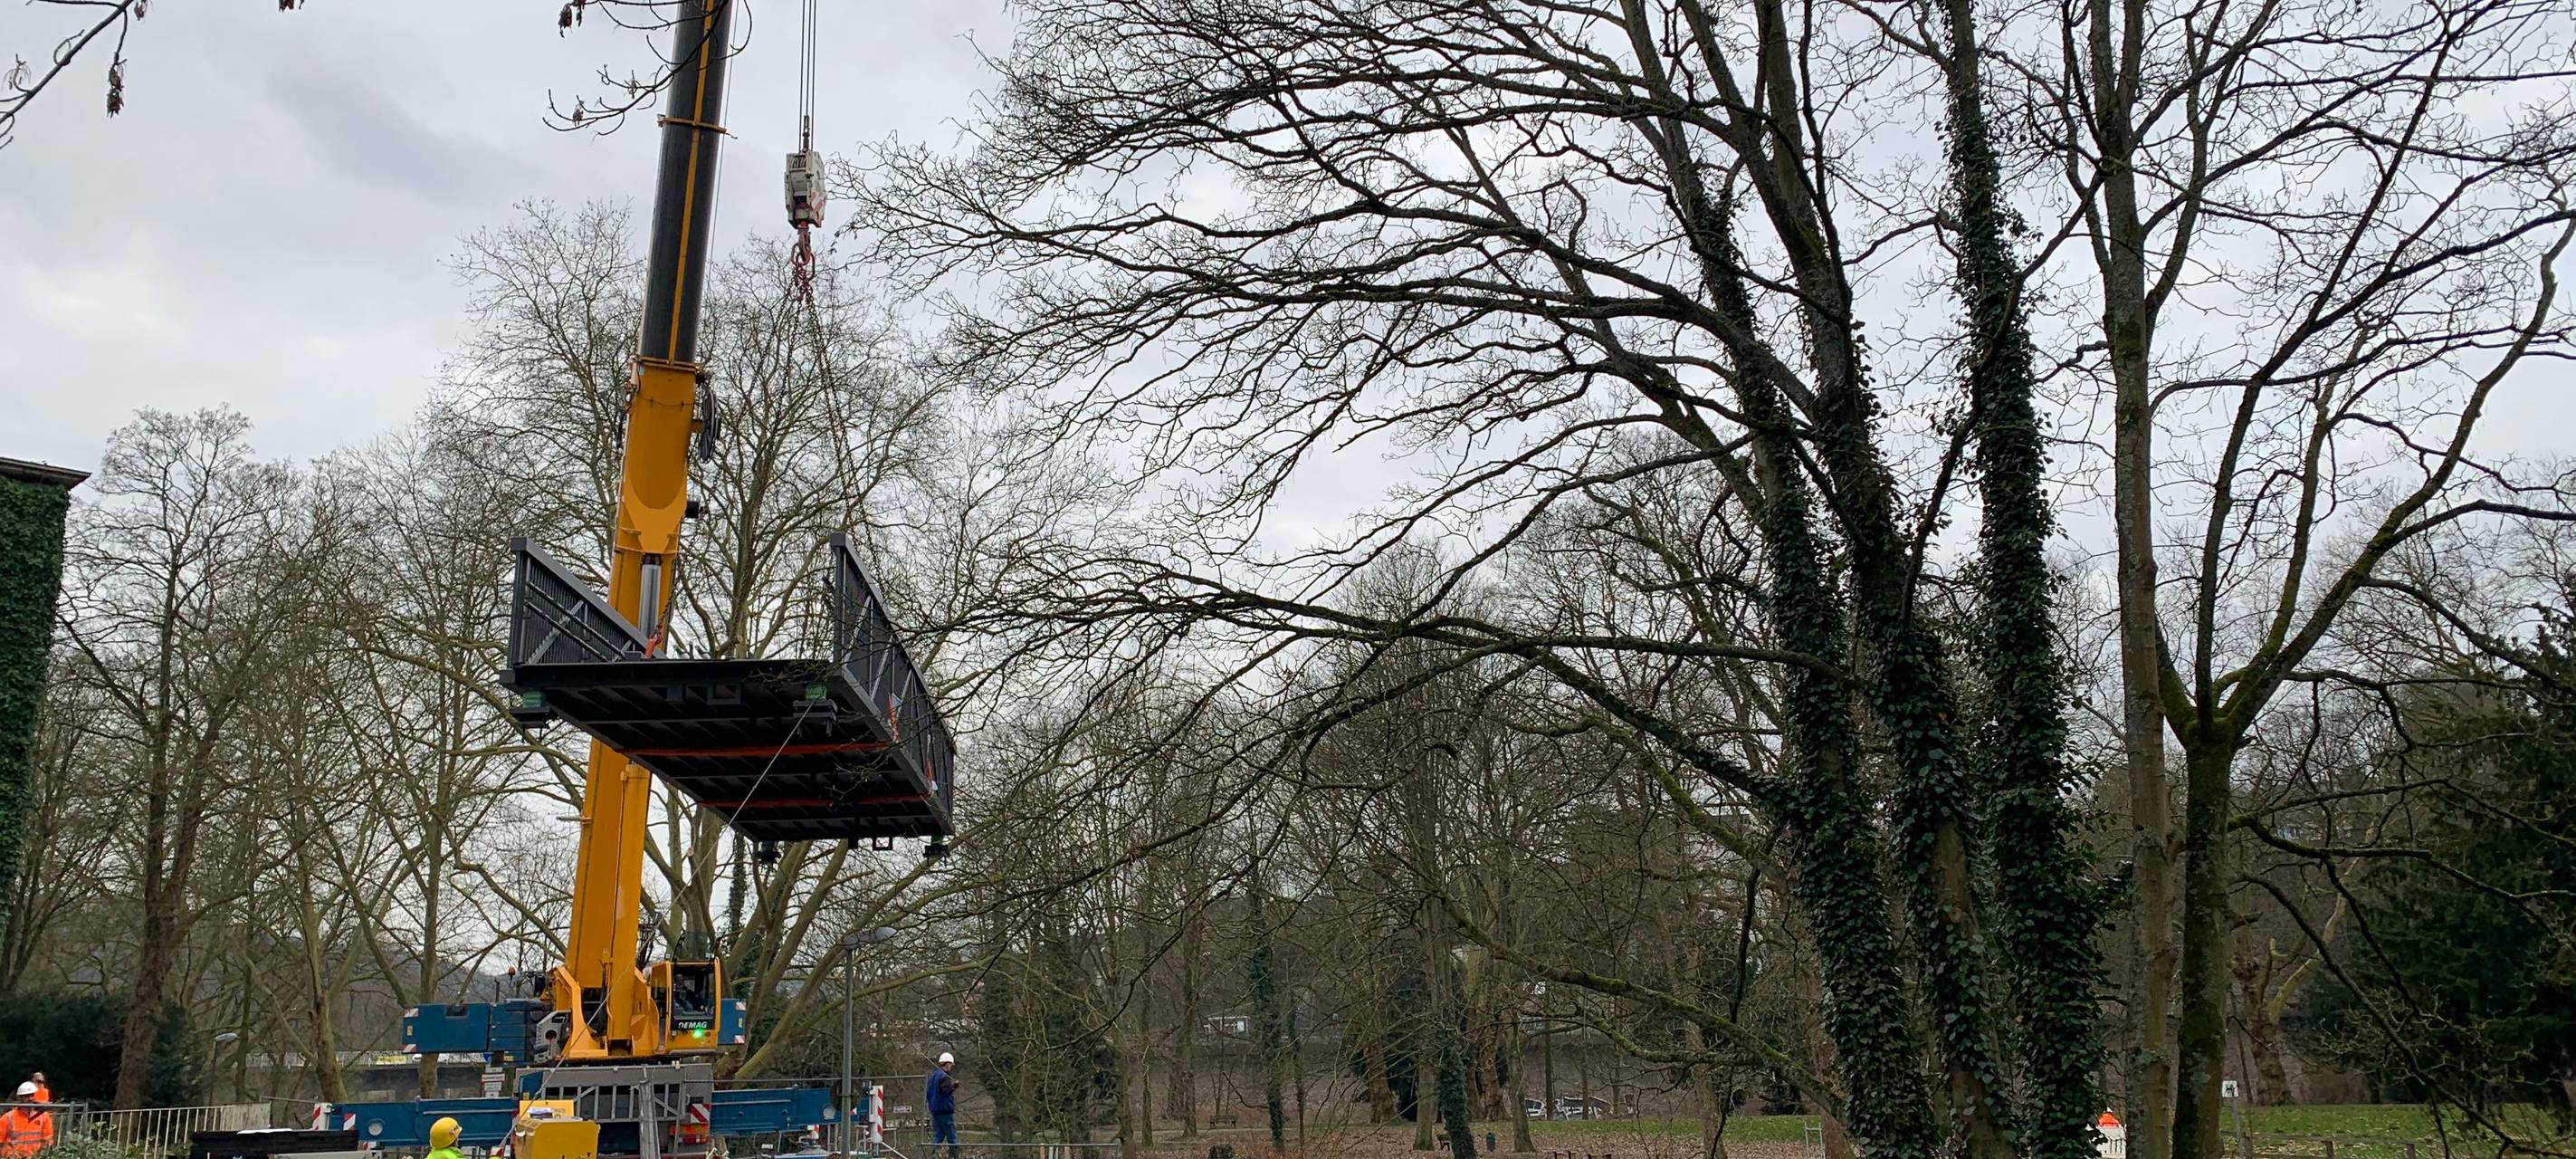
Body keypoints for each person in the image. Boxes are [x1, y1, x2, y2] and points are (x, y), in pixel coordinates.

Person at [0, 1082, 52, 1159]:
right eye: (27, 1096)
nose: (30, 1098)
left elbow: (47, 1139)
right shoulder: (8, 1117)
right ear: (20, 1098)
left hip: (34, 1156)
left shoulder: (43, 1116)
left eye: (32, 1095)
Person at [924, 1053, 959, 1159]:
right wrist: (954, 1087)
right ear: (947, 1064)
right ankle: (953, 1157)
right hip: (945, 1110)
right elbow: (944, 1092)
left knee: (938, 1135)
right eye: (951, 1064)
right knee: (952, 1137)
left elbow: (929, 1094)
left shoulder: (932, 1077)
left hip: (935, 1111)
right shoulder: (944, 1077)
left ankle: (932, 1156)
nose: (951, 1067)